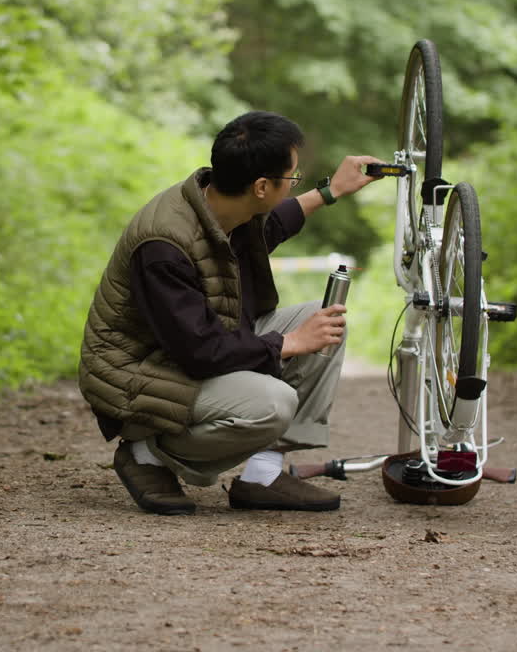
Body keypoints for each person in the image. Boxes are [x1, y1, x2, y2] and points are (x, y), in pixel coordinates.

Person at [78, 111, 384, 515]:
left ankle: (262, 475)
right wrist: (289, 343)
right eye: (291, 179)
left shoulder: (226, 205)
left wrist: (332, 191)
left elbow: (273, 223)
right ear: (261, 186)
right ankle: (145, 453)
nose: (294, 185)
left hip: (187, 347)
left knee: (325, 320)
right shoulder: (163, 244)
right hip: (135, 370)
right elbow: (199, 352)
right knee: (272, 404)